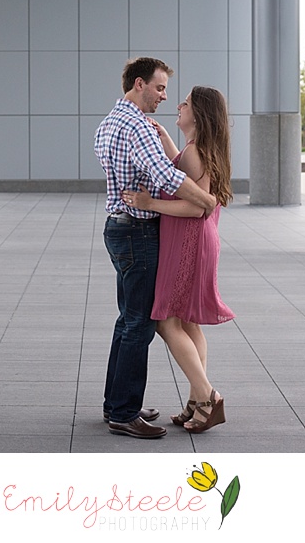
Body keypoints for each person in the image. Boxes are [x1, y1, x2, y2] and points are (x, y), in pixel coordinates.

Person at [95, 58, 217, 440]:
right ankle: (124, 413)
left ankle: (116, 403)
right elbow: (168, 177)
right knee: (139, 325)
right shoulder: (137, 127)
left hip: (117, 227)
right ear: (138, 84)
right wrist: (208, 202)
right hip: (137, 232)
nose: (164, 97)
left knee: (126, 320)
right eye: (159, 88)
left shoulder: (109, 123)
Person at [121, 86, 234, 433]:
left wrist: (149, 203)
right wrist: (170, 140)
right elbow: (183, 172)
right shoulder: (197, 150)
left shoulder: (194, 154)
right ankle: (195, 402)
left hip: (187, 242)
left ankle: (207, 396)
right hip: (198, 242)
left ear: (197, 114)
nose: (179, 105)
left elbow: (195, 205)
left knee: (166, 321)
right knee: (188, 322)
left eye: (185, 102)